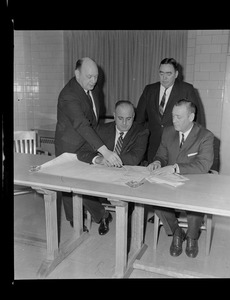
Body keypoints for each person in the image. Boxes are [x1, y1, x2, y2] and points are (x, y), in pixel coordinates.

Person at [55, 57, 122, 231]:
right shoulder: (68, 95)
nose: (93, 80)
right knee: (69, 186)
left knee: (88, 184)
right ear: (77, 74)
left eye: (96, 76)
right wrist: (105, 151)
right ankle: (75, 220)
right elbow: (81, 124)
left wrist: (98, 146)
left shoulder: (93, 88)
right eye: (89, 76)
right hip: (69, 146)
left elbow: (94, 119)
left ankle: (101, 215)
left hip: (88, 143)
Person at [148, 99, 214, 258]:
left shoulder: (205, 136)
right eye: (173, 116)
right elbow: (161, 155)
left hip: (195, 183)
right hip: (171, 182)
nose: (174, 120)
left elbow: (203, 165)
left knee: (194, 204)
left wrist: (175, 167)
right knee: (156, 201)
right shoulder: (168, 132)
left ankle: (192, 236)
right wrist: (158, 162)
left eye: (179, 117)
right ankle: (177, 231)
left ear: (191, 117)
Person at [77, 100, 149, 235]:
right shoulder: (101, 129)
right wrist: (99, 159)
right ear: (114, 115)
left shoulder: (142, 131)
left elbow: (134, 158)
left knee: (125, 230)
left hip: (126, 177)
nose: (124, 123)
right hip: (103, 175)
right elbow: (82, 152)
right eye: (120, 118)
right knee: (79, 189)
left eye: (129, 119)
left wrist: (110, 160)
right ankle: (102, 215)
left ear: (134, 117)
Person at [136, 57, 205, 165]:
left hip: (177, 147)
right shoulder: (149, 90)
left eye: (169, 73)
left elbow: (197, 120)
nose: (164, 77)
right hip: (153, 146)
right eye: (161, 73)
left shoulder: (186, 89)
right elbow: (139, 120)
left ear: (176, 74)